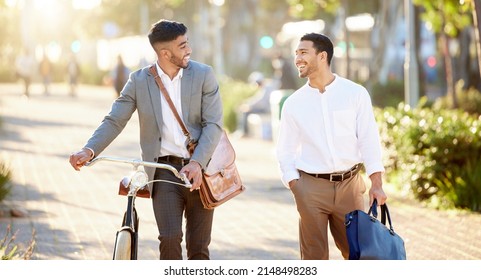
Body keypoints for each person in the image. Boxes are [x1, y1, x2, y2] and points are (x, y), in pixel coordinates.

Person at [68, 19, 223, 260]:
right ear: (164, 53)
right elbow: (115, 120)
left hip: (201, 170)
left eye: (187, 43)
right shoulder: (139, 81)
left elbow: (213, 125)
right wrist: (89, 150)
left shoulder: (203, 74)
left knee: (199, 248)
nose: (189, 49)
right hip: (162, 171)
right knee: (169, 239)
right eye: (182, 45)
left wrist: (197, 163)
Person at [276, 33, 387, 260]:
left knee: (356, 254)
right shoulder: (294, 104)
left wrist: (376, 183)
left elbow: (369, 139)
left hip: (350, 186)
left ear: (322, 56)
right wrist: (295, 186)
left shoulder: (355, 93)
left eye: (303, 52)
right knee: (314, 258)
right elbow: (285, 150)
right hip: (310, 187)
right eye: (296, 53)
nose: (297, 58)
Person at [236, 71, 274, 136]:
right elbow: (257, 98)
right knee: (244, 109)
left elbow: (261, 102)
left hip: (266, 109)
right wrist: (246, 103)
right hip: (264, 108)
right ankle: (242, 131)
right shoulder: (264, 87)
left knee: (245, 112)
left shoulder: (267, 87)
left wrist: (248, 106)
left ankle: (243, 132)